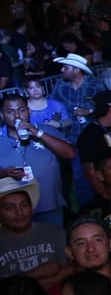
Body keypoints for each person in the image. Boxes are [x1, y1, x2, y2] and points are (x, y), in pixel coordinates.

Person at [1, 93, 76, 224]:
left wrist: (38, 134)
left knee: (53, 243)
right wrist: (4, 173)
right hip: (13, 213)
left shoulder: (46, 130)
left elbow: (70, 154)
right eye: (10, 111)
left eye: (21, 110)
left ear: (29, 111)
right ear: (1, 115)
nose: (17, 116)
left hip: (49, 206)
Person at [0, 180, 73, 293]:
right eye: (9, 208)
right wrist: (37, 273)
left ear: (32, 209)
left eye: (24, 205)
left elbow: (70, 268)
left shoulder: (54, 232)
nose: (19, 212)